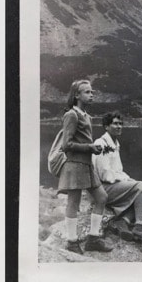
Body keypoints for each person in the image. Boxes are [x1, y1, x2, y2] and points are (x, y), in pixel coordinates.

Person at [57, 80, 113, 254]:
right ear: (77, 95)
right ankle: (71, 242)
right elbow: (66, 145)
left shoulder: (86, 116)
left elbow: (81, 141)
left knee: (102, 197)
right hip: (74, 166)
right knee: (73, 203)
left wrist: (93, 149)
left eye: (92, 92)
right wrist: (89, 147)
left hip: (86, 166)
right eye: (87, 92)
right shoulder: (71, 115)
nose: (91, 95)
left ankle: (93, 239)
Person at [92, 112, 142, 244]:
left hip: (112, 186)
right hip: (103, 189)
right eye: (115, 123)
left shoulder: (115, 144)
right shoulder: (101, 143)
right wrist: (133, 184)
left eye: (120, 124)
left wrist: (132, 182)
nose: (119, 126)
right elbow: (105, 174)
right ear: (106, 126)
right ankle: (140, 228)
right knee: (141, 189)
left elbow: (118, 171)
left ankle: (122, 222)